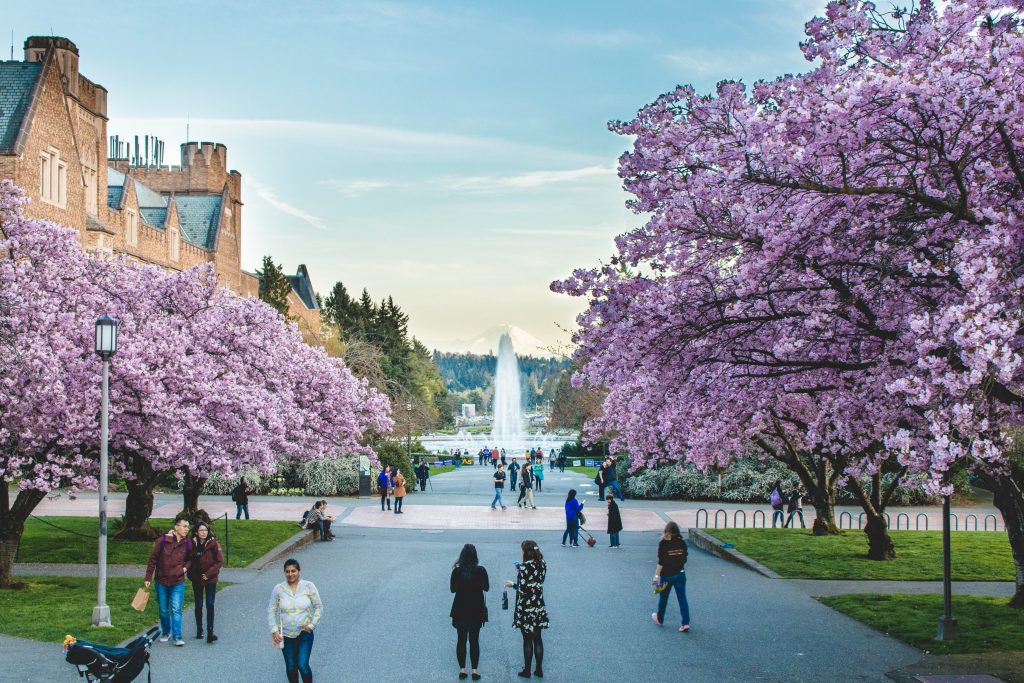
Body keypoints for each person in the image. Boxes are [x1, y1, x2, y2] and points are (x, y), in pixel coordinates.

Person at [268, 558, 322, 683]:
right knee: (291, 667)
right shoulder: (279, 589)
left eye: (293, 571)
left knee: (302, 665)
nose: (291, 574)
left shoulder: (308, 586)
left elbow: (319, 607)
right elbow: (271, 609)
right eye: (287, 571)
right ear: (284, 573)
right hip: (286, 635)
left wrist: (312, 625)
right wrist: (274, 630)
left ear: (299, 571)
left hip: (305, 633)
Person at [144, 515, 192, 646]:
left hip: (177, 582)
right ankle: (166, 631)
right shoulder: (163, 541)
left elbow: (190, 559)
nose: (186, 529)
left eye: (188, 527)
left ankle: (178, 636)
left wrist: (184, 570)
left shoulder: (188, 543)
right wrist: (148, 577)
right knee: (163, 609)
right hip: (161, 581)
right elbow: (153, 559)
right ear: (176, 527)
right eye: (184, 526)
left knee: (176, 609)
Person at [506, 540, 548, 679]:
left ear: (525, 551)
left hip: (526, 607)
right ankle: (539, 669)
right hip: (538, 605)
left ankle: (527, 670)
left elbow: (523, 589)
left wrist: (513, 584)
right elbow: (537, 582)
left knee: (527, 640)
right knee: (538, 639)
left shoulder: (524, 568)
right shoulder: (542, 564)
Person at [450, 544, 489, 681]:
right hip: (477, 609)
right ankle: (475, 670)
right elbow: (487, 588)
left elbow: (452, 589)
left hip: (460, 609)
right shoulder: (481, 570)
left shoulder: (457, 571)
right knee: (474, 640)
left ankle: (462, 669)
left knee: (461, 640)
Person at [651, 521, 690, 633]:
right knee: (682, 598)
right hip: (680, 574)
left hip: (666, 576)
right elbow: (685, 559)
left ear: (666, 530)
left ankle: (660, 618)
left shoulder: (663, 543)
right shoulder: (681, 542)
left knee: (663, 598)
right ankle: (685, 623)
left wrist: (656, 576)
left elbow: (661, 562)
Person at [188, 521, 223, 643]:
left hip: (210, 578)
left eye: (205, 530)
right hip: (197, 579)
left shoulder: (213, 543)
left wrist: (208, 574)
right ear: (196, 532)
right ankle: (199, 630)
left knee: (210, 603)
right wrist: (192, 575)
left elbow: (219, 561)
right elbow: (189, 560)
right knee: (198, 604)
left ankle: (210, 632)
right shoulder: (192, 543)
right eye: (201, 530)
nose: (203, 533)